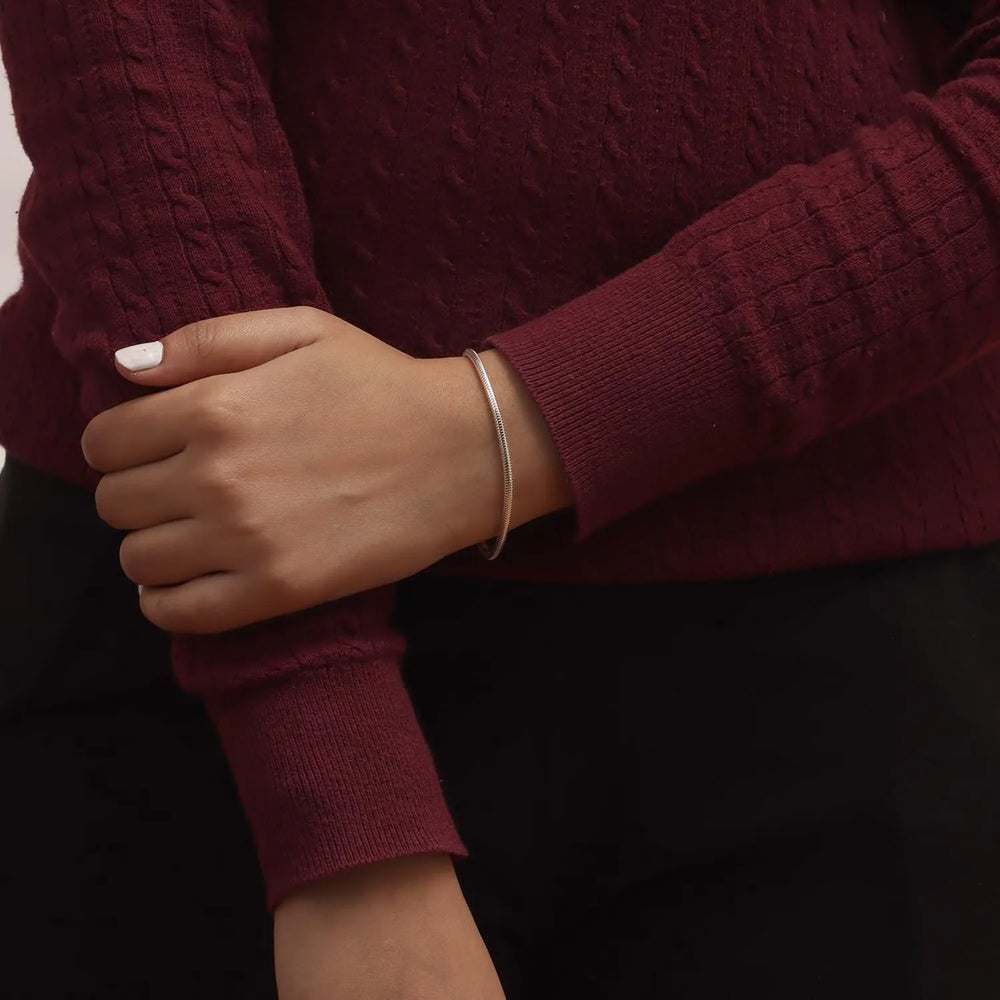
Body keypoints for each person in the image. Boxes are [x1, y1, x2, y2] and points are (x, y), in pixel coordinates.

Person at [2, 1, 1000, 997]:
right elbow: (125, 46)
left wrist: (505, 431)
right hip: (201, 631)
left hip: (857, 648)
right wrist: (340, 799)